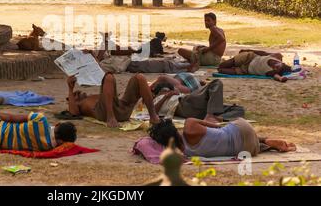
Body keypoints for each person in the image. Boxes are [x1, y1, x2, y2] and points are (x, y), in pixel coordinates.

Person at [149, 118, 296, 158]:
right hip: (243, 129)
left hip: (247, 150)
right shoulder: (189, 125)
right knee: (226, 131)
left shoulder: (185, 153)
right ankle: (264, 139)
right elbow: (216, 126)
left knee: (232, 145)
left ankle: (264, 144)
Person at [66, 73, 161, 128]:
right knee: (109, 77)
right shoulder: (81, 104)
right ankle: (110, 118)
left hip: (121, 108)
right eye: (76, 94)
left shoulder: (92, 97)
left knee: (139, 77)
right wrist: (70, 89)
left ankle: (153, 116)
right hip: (106, 113)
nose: (79, 92)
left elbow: (98, 72)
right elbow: (73, 112)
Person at [0, 111, 77, 151]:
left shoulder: (40, 120)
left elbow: (14, 118)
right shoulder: (47, 147)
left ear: (57, 124)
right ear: (61, 142)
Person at [150, 77, 225, 123]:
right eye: (165, 90)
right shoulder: (158, 99)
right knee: (216, 83)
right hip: (183, 104)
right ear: (160, 91)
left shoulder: (174, 93)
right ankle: (210, 115)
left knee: (231, 109)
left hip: (193, 107)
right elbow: (154, 111)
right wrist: (165, 96)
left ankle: (211, 115)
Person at [218, 49, 292, 83]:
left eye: (276, 69)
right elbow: (261, 52)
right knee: (222, 65)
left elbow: (277, 76)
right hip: (249, 57)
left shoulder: (271, 72)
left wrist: (281, 79)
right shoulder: (277, 56)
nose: (275, 67)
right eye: (278, 66)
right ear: (281, 63)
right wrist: (246, 50)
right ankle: (231, 62)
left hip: (246, 70)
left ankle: (232, 67)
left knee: (220, 70)